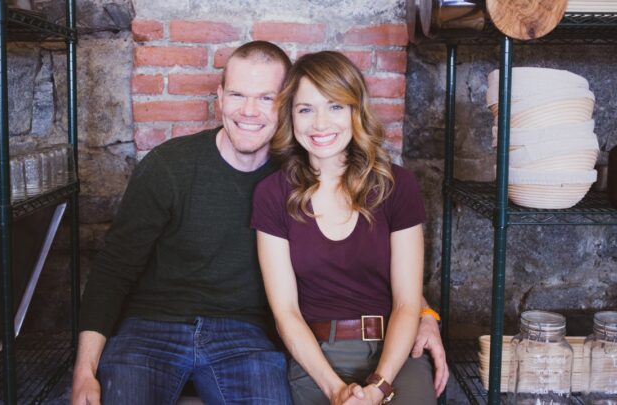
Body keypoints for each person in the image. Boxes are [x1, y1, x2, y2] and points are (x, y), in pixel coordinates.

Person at [71, 41, 447, 405]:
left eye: (265, 98)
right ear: (218, 98)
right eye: (237, 95)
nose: (249, 111)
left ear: (283, 105)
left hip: (242, 334)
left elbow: (373, 257)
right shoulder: (173, 168)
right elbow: (113, 269)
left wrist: (423, 314)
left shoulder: (301, 173)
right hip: (154, 326)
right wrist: (85, 370)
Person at [251, 51, 436, 404]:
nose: (320, 123)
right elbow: (286, 313)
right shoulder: (272, 194)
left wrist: (379, 386)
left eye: (335, 106)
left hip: (394, 350)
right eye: (306, 109)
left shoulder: (397, 186)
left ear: (356, 111)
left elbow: (407, 304)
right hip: (315, 356)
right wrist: (337, 390)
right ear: (291, 116)